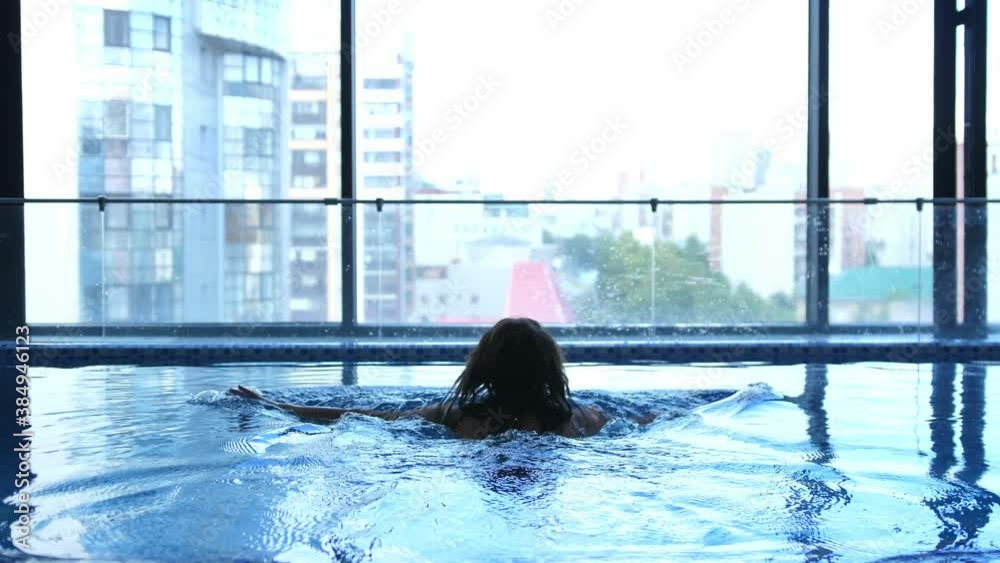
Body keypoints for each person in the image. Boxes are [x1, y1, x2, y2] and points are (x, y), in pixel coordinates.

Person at [229, 317, 642, 438]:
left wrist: (274, 406)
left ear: (483, 366)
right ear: (551, 368)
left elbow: (361, 415)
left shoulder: (457, 415)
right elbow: (648, 423)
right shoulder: (577, 419)